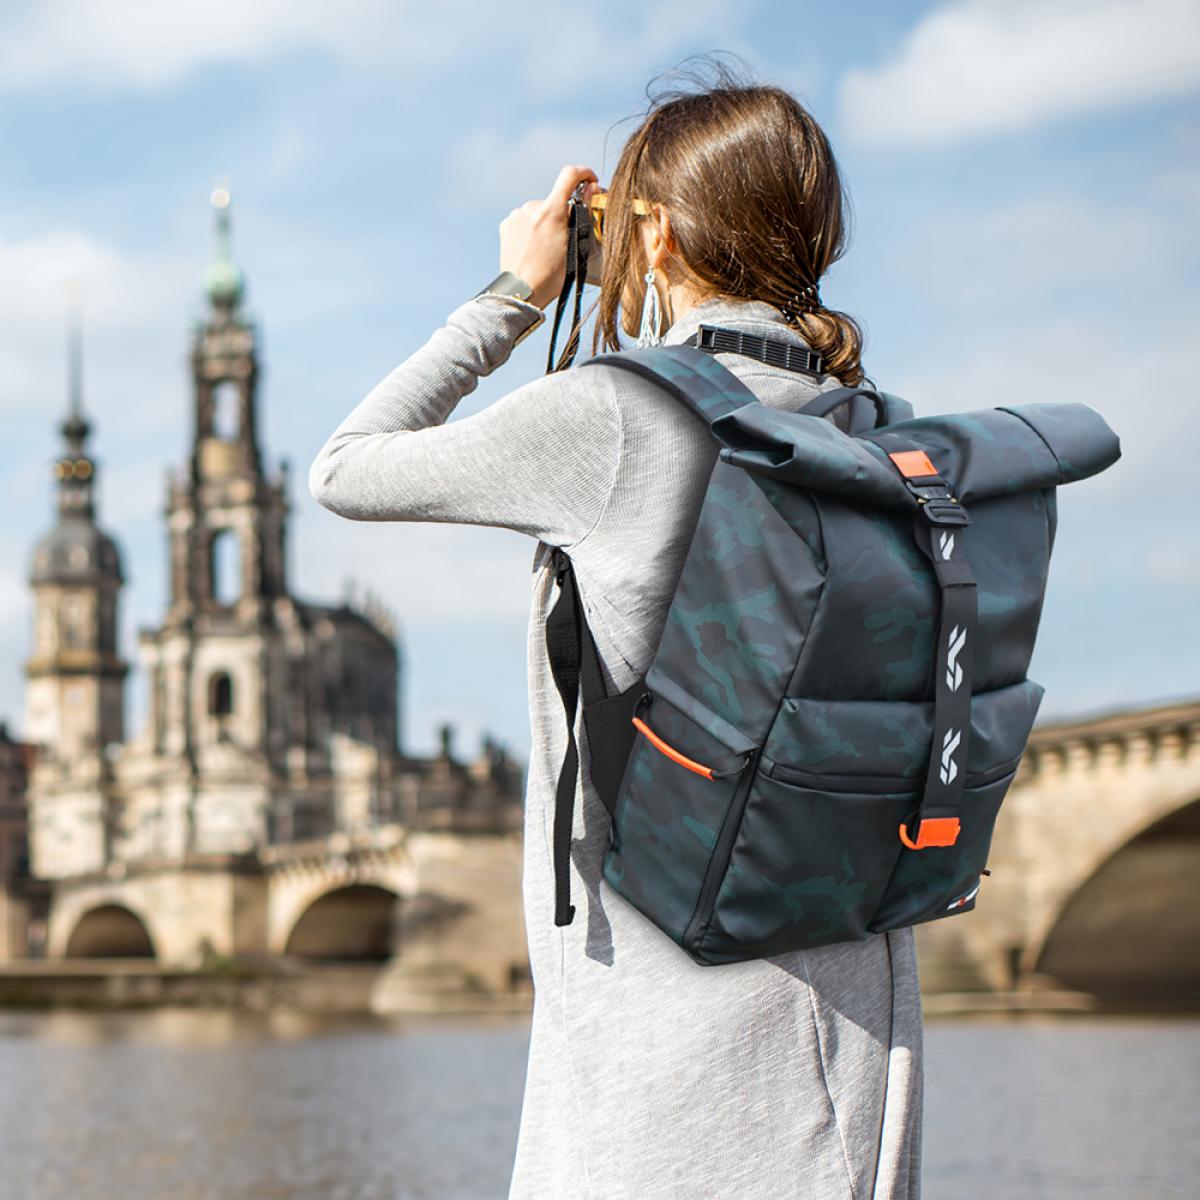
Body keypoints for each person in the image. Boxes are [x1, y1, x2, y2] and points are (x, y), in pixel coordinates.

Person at [309, 59, 923, 1200]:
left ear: (653, 233)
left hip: (665, 1011)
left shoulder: (620, 414)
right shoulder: (878, 426)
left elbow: (347, 467)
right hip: (858, 1010)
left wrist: (514, 291)